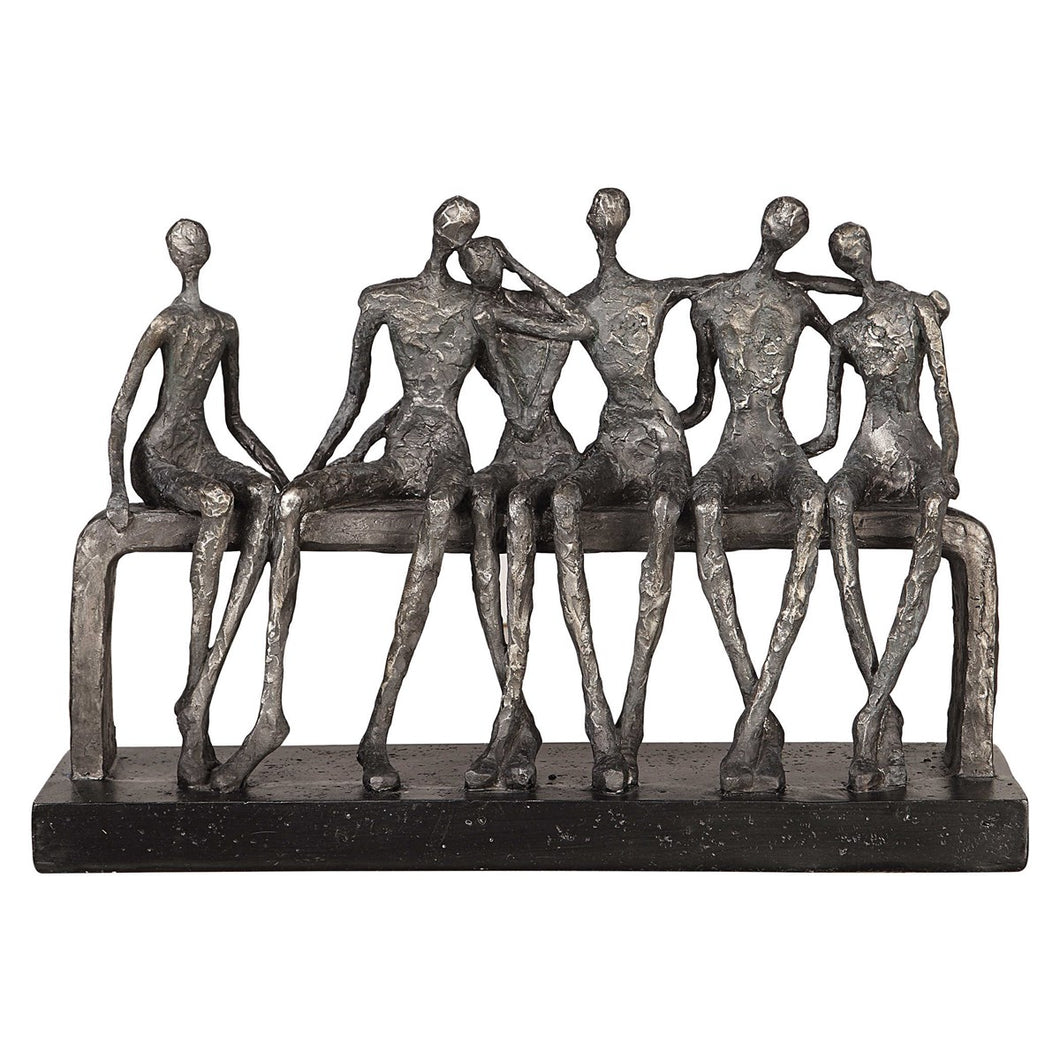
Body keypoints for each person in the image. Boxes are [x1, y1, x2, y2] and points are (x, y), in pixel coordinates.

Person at [204, 196, 483, 793]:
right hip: (398, 454)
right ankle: (268, 713)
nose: (457, 235)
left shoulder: (478, 306)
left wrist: (509, 262)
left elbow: (571, 329)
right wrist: (313, 471)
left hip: (448, 459)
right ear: (439, 229)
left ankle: (377, 732)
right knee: (290, 503)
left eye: (468, 231)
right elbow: (353, 397)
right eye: (454, 227)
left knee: (436, 519)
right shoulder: (383, 299)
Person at [550, 188, 730, 792]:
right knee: (565, 500)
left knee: (664, 509)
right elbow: (518, 317)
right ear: (590, 222)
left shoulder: (656, 292)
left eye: (611, 210)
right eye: (599, 210)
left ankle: (632, 717)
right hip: (613, 438)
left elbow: (736, 281)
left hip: (660, 438)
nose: (604, 218)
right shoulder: (577, 304)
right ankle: (596, 711)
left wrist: (699, 399)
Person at [106, 219, 287, 787]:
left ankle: (202, 685)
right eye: (185, 244)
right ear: (176, 255)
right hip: (159, 456)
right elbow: (123, 406)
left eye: (195, 243)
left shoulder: (224, 326)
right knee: (217, 501)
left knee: (263, 497)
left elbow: (234, 418)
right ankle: (195, 707)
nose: (191, 251)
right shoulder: (166, 322)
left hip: (201, 449)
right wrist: (117, 488)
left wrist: (283, 476)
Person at [690, 196, 834, 795]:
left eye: (795, 223)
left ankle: (752, 723)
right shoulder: (709, 304)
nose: (785, 227)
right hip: (733, 446)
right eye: (782, 216)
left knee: (814, 505)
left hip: (781, 446)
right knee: (703, 504)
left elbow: (849, 345)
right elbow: (702, 402)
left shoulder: (798, 303)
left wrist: (825, 434)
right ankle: (758, 705)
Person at [814, 222, 959, 791]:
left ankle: (872, 711)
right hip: (865, 451)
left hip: (917, 446)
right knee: (836, 506)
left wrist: (946, 464)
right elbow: (830, 431)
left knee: (932, 518)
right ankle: (882, 702)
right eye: (843, 252)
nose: (853, 257)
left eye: (855, 246)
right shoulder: (844, 333)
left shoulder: (919, 308)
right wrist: (784, 453)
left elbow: (944, 395)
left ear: (868, 249)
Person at [457, 236, 595, 790]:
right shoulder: (479, 321)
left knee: (519, 508)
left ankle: (526, 718)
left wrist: (520, 270)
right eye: (473, 264)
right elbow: (512, 410)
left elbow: (579, 323)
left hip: (555, 454)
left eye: (492, 260)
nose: (482, 270)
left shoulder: (525, 309)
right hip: (510, 453)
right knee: (481, 499)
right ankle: (514, 712)